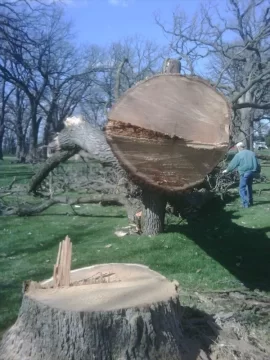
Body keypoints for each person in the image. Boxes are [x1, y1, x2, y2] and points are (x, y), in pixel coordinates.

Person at [222, 142, 261, 208]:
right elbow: (258, 163)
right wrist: (258, 171)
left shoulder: (239, 155)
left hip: (244, 173)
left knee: (241, 189)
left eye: (237, 148)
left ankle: (245, 204)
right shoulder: (251, 153)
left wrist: (227, 170)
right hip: (252, 172)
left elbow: (232, 164)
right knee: (249, 187)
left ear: (239, 147)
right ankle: (251, 202)